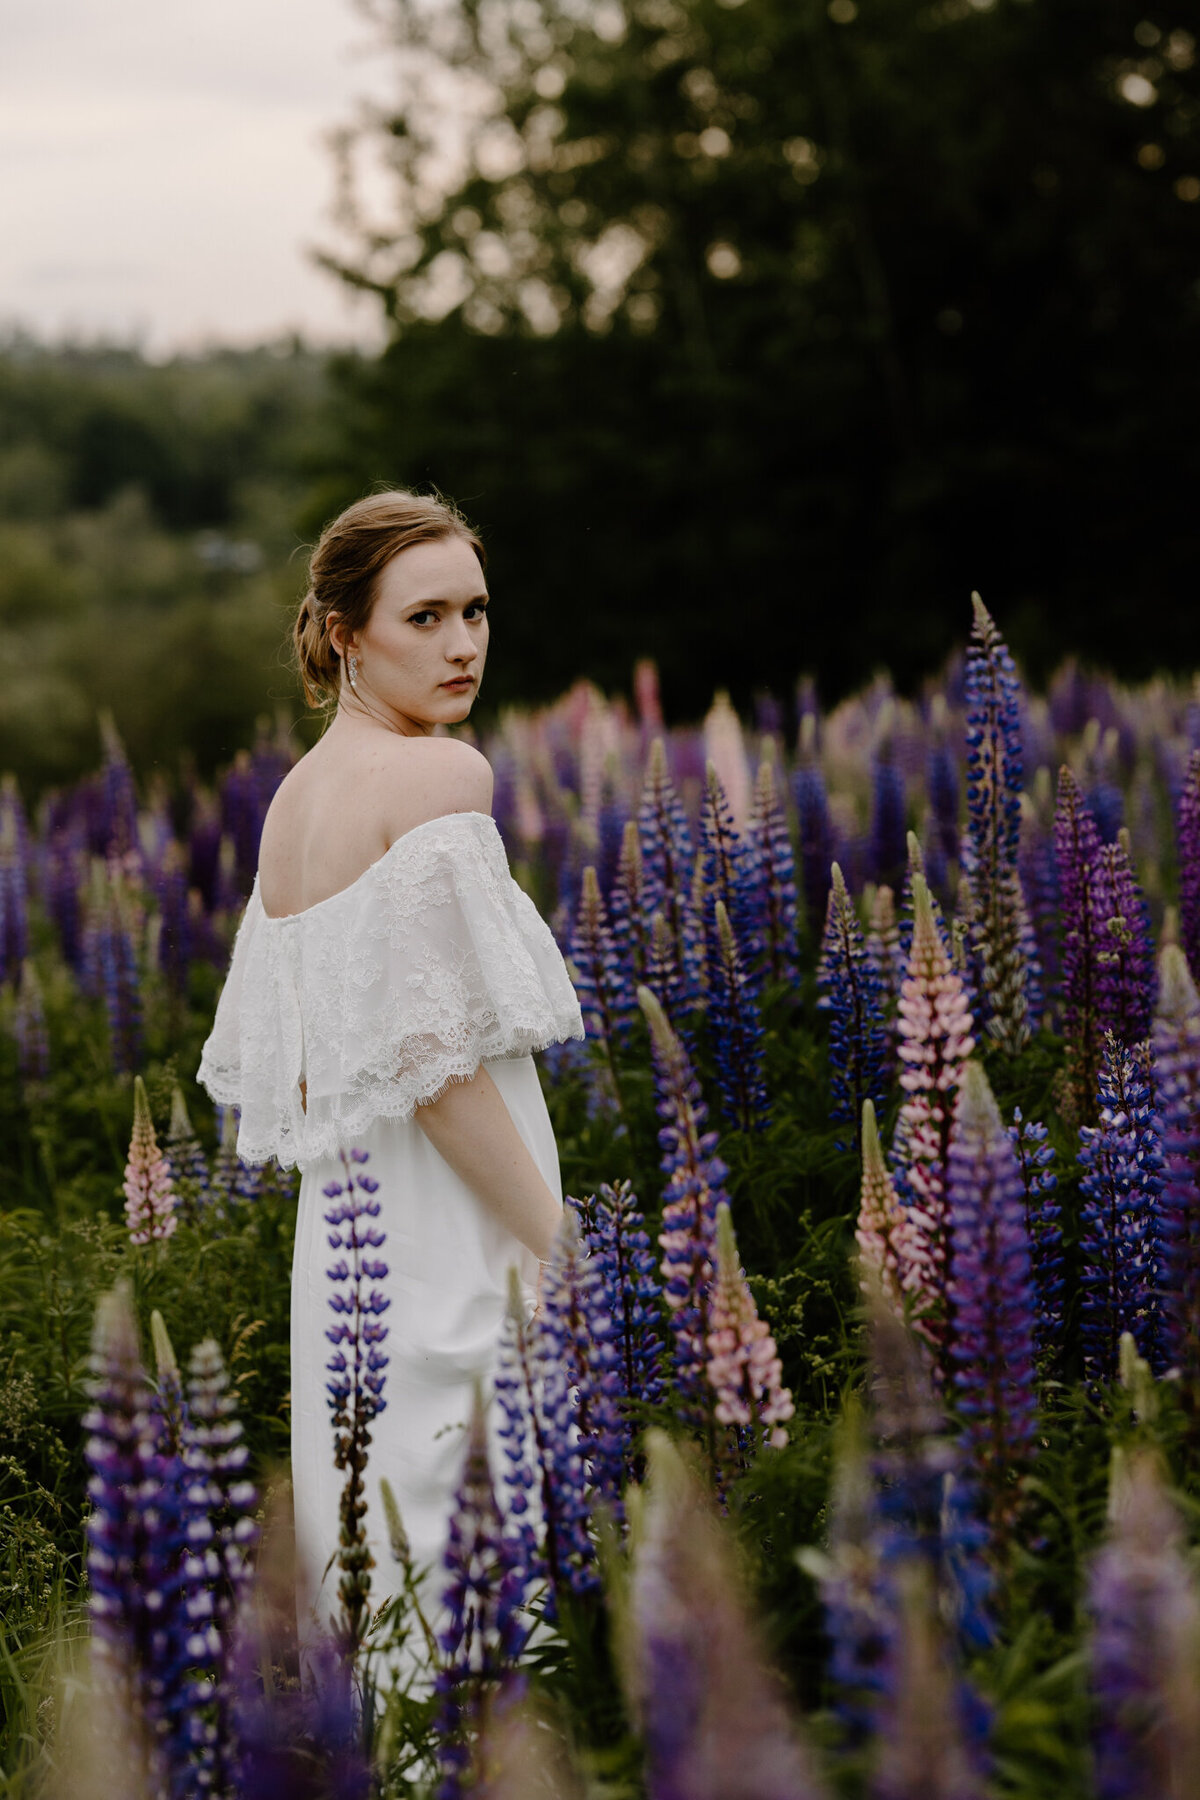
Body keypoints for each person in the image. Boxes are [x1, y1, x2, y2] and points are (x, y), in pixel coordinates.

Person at [197, 489, 583, 1646]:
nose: (462, 644)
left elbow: (325, 1064)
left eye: (474, 610)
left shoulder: (293, 804)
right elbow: (440, 1067)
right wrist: (558, 1249)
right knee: (486, 1548)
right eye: (423, 617)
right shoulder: (439, 778)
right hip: (459, 1219)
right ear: (345, 634)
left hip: (351, 1244)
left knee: (384, 1574)